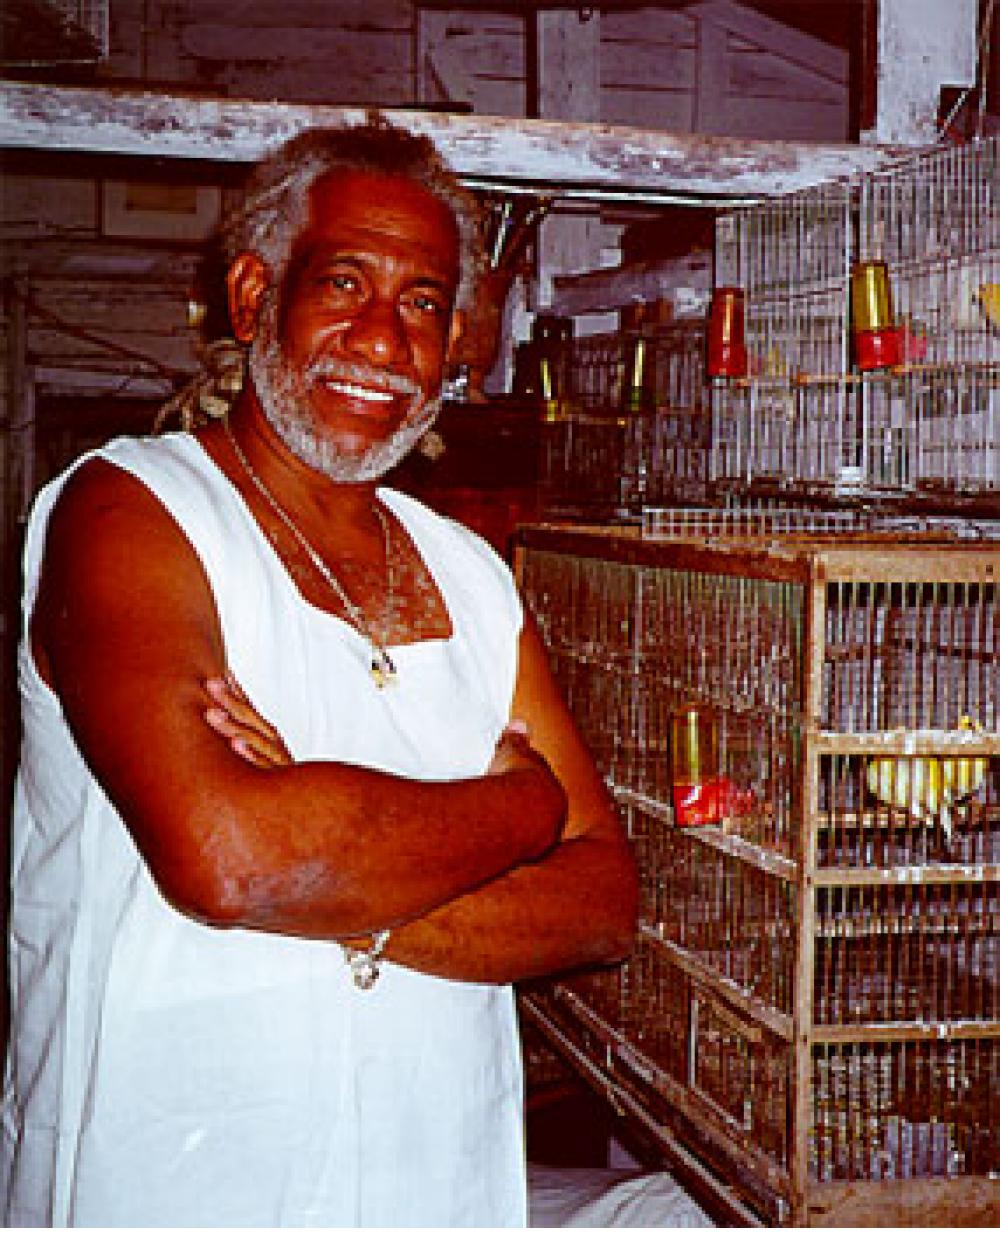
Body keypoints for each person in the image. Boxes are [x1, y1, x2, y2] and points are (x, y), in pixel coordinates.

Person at [1, 114, 637, 1227]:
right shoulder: (131, 508)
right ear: (254, 298)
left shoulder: (470, 573)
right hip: (164, 1182)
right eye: (344, 283)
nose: (385, 342)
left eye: (425, 303)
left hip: (426, 1185)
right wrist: (519, 805)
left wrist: (348, 881)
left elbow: (602, 901)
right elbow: (232, 859)